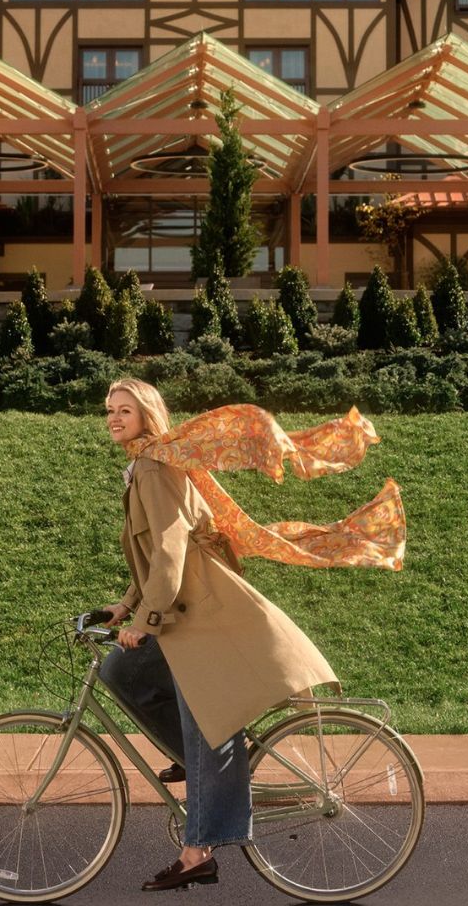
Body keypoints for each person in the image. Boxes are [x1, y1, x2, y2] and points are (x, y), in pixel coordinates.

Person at [97, 378, 352, 893]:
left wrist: (143, 624)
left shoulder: (153, 467)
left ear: (148, 415)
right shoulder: (151, 462)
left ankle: (198, 853)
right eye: (109, 410)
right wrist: (124, 606)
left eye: (125, 410)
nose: (114, 418)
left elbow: (169, 554)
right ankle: (197, 763)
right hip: (186, 609)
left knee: (208, 726)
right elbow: (154, 556)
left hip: (206, 618)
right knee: (119, 669)